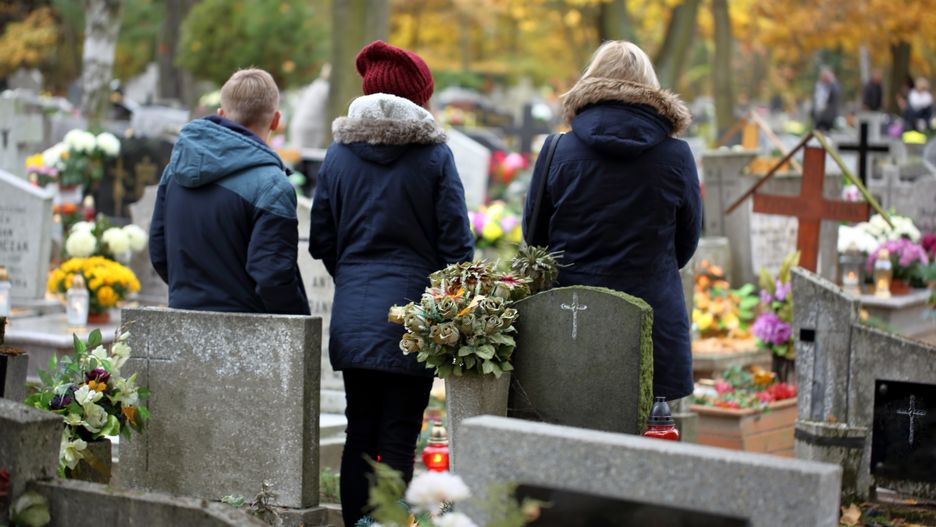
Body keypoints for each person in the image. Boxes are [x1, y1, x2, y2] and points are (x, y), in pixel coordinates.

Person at [308, 40, 473, 526]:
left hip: (354, 316)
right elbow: (457, 246)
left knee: (360, 431)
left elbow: (321, 238)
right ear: (418, 99)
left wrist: (354, 276)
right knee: (399, 434)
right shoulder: (434, 158)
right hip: (414, 320)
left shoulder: (338, 157)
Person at [522, 41, 701, 401]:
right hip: (652, 318)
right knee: (649, 437)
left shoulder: (557, 150)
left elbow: (535, 235)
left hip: (574, 314)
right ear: (650, 87)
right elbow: (686, 243)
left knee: (572, 429)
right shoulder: (677, 155)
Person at [149, 68, 309, 315]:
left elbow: (159, 253)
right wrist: (302, 322)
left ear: (222, 114)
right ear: (276, 121)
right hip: (249, 332)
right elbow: (272, 276)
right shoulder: (272, 185)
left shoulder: (174, 170)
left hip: (181, 321)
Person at [812, 66, 840, 131]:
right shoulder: (819, 86)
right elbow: (816, 100)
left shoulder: (833, 86)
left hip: (829, 117)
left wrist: (832, 81)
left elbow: (836, 92)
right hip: (818, 116)